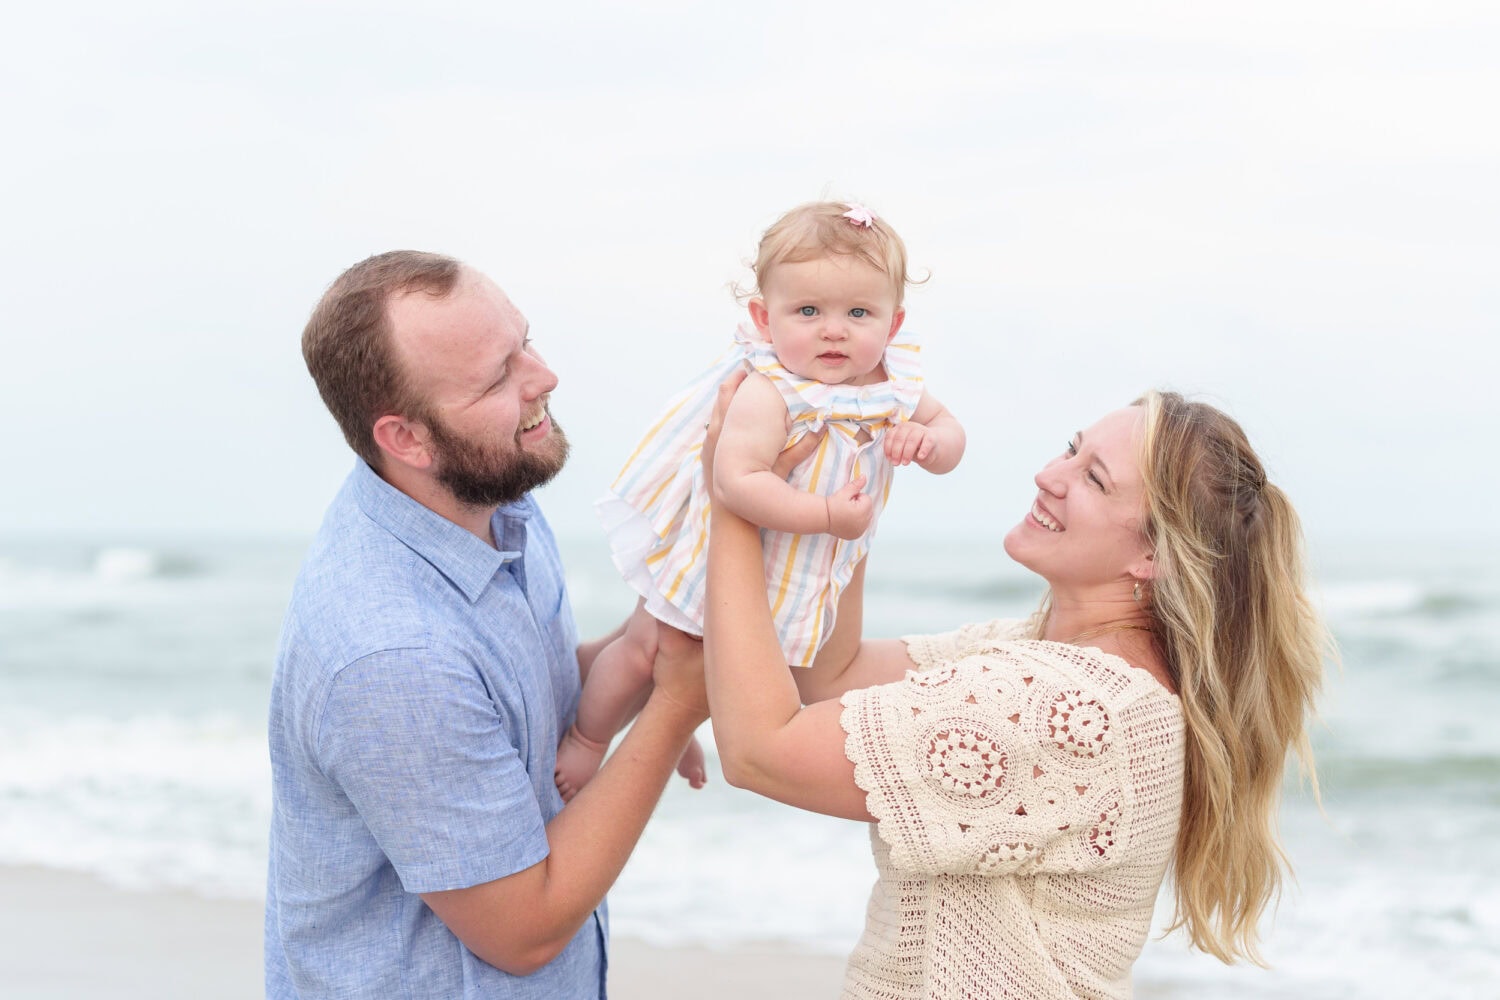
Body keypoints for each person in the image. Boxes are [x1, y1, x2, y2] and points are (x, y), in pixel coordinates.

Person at [702, 381, 1329, 999]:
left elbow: (760, 750)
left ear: (1152, 556)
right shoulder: (1043, 655)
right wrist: (855, 481)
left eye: (1094, 480)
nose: (1049, 475)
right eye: (1071, 450)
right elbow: (829, 673)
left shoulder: (1072, 710)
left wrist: (731, 494)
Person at [264, 250, 711, 998]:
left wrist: (648, 648)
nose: (543, 376)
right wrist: (674, 711)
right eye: (498, 376)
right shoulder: (389, 654)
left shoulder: (488, 497)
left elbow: (515, 700)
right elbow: (522, 930)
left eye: (523, 342)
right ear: (406, 439)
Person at [555, 201, 967, 798]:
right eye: (807, 311)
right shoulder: (770, 389)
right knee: (648, 649)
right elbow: (736, 481)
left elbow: (952, 431)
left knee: (718, 671)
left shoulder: (894, 384)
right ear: (764, 318)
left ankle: (667, 731)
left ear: (893, 324)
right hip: (715, 558)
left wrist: (931, 443)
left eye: (858, 312)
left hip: (783, 574)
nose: (834, 329)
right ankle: (587, 740)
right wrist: (827, 515)